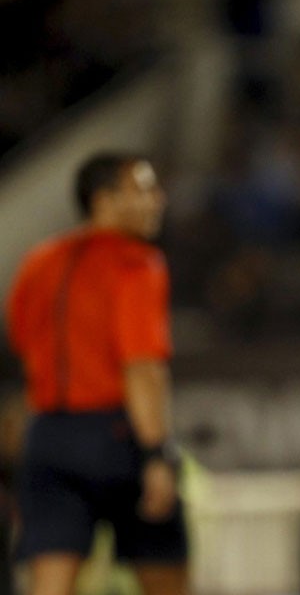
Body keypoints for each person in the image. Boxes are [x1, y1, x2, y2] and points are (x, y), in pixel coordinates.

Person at [5, 153, 189, 595]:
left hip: (48, 436)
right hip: (117, 435)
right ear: (104, 199)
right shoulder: (137, 263)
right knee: (164, 574)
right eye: (143, 189)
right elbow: (141, 368)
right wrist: (154, 456)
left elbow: (20, 337)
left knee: (49, 583)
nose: (157, 200)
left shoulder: (38, 261)